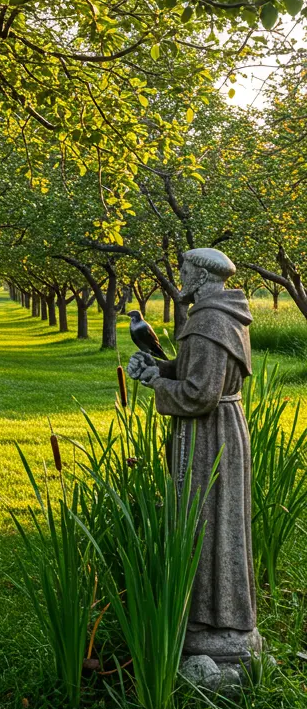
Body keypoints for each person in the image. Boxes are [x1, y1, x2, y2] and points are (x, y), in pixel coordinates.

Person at [127, 248, 260, 687]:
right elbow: (200, 375)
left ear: (202, 276)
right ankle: (222, 616)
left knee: (210, 522)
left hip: (210, 438)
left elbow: (200, 394)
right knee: (221, 524)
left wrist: (155, 383)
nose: (179, 278)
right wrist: (161, 368)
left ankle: (211, 622)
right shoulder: (226, 315)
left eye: (184, 271)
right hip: (224, 430)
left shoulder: (207, 321)